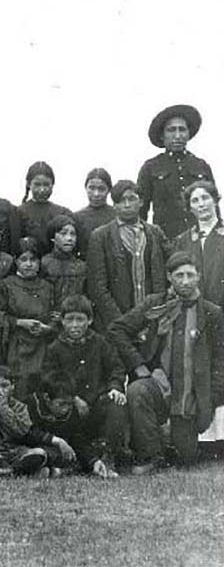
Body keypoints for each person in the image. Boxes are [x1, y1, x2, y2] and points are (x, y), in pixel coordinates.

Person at [108, 251, 224, 474]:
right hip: (159, 386)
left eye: (190, 275)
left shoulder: (212, 313)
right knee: (137, 390)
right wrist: (139, 365)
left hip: (191, 394)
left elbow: (220, 360)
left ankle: (172, 442)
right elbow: (117, 330)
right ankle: (152, 455)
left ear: (199, 276)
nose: (185, 281)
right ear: (169, 277)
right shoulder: (155, 304)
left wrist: (210, 398)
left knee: (185, 457)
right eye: (179, 275)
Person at [41, 295, 128, 472]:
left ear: (90, 320)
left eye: (80, 319)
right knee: (62, 415)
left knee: (116, 403)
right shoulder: (54, 349)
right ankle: (78, 459)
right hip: (72, 408)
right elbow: (50, 379)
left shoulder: (100, 343)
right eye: (69, 319)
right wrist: (72, 398)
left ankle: (110, 454)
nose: (74, 325)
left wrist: (115, 387)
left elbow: (116, 368)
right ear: (62, 322)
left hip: (97, 404)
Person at [174, 181, 224, 450]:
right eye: (195, 200)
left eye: (206, 198)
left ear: (216, 199)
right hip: (197, 315)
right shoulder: (184, 240)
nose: (202, 204)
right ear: (189, 207)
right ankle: (206, 439)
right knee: (201, 369)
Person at [87, 179, 170, 330]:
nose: (126, 205)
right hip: (118, 321)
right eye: (121, 200)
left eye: (131, 199)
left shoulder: (155, 233)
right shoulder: (101, 236)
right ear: (114, 205)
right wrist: (122, 323)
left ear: (141, 202)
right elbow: (98, 287)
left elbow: (171, 268)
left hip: (153, 319)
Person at [0, 365, 73, 478]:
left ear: (12, 386)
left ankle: (8, 472)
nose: (0, 391)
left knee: (39, 454)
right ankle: (18, 472)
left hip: (15, 451)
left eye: (5, 386)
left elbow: (22, 431)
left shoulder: (20, 407)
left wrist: (4, 409)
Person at [137, 104, 216, 239]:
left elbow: (213, 207)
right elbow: (140, 212)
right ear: (162, 136)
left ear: (188, 134)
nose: (178, 135)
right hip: (167, 242)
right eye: (171, 130)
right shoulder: (150, 168)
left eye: (182, 130)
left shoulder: (201, 166)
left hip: (201, 240)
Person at [0, 237, 57, 397]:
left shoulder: (47, 287)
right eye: (24, 259)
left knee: (42, 386)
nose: (29, 264)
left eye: (33, 260)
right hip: (17, 345)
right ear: (16, 261)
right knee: (20, 387)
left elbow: (56, 314)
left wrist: (48, 327)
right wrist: (19, 322)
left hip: (42, 345)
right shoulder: (6, 285)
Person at [24, 371, 113, 478]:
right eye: (61, 404)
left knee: (71, 456)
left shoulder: (72, 412)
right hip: (29, 447)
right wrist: (56, 440)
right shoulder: (31, 405)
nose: (65, 409)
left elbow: (77, 438)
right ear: (47, 398)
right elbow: (26, 432)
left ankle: (50, 470)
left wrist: (93, 461)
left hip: (56, 452)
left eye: (69, 404)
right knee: (37, 454)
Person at [18, 161, 73, 255]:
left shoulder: (63, 213)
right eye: (37, 184)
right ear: (28, 184)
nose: (42, 189)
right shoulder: (18, 212)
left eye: (46, 184)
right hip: (29, 264)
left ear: (53, 184)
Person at [40, 215, 87, 305]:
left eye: (73, 234)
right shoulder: (43, 263)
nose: (69, 238)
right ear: (52, 237)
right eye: (63, 233)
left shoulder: (81, 266)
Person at [74, 168, 116, 259]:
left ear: (109, 190)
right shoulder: (77, 217)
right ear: (86, 188)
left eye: (101, 189)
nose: (96, 194)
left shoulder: (117, 216)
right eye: (91, 188)